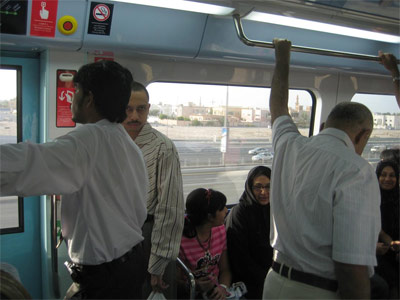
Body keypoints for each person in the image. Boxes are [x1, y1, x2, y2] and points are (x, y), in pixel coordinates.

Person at [0, 60, 148, 299]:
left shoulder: (87, 141)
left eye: (75, 92)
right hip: (130, 263)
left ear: (88, 98)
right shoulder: (126, 143)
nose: (71, 99)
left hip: (105, 277)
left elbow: (27, 163)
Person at [263, 39, 381, 299]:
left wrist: (282, 57)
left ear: (326, 124)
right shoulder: (357, 170)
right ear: (363, 134)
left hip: (273, 283)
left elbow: (277, 108)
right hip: (318, 291)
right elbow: (352, 266)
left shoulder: (288, 145)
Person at [122, 81, 184, 298]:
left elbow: (170, 209)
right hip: (116, 233)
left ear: (148, 109)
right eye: (128, 109)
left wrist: (158, 262)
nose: (134, 116)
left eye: (140, 109)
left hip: (151, 234)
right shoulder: (111, 143)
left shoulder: (163, 147)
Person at [225, 166, 273, 299]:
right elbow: (240, 258)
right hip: (248, 281)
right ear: (249, 187)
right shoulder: (240, 213)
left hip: (273, 276)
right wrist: (266, 278)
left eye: (269, 186)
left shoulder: (275, 210)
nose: (264, 192)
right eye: (258, 187)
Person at [178, 188, 231, 300]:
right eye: (222, 208)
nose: (226, 210)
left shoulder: (220, 230)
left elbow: (225, 270)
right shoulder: (181, 240)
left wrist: (222, 288)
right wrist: (195, 285)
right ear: (210, 217)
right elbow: (175, 281)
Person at [375, 160, 399, 299]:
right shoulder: (370, 199)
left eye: (392, 175)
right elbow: (377, 230)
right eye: (383, 175)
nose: (387, 179)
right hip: (377, 252)